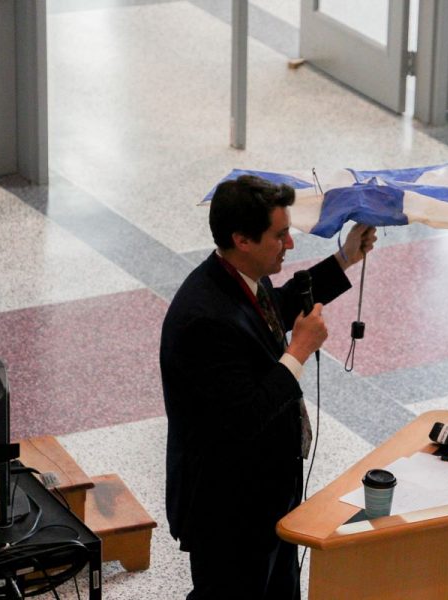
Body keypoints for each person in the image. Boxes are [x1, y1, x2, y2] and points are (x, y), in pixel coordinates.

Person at [160, 175, 376, 599]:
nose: (290, 245)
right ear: (242, 239)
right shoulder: (204, 319)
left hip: (265, 491)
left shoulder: (237, 279)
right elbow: (244, 416)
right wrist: (297, 352)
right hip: (228, 508)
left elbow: (276, 305)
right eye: (280, 235)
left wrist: (345, 258)